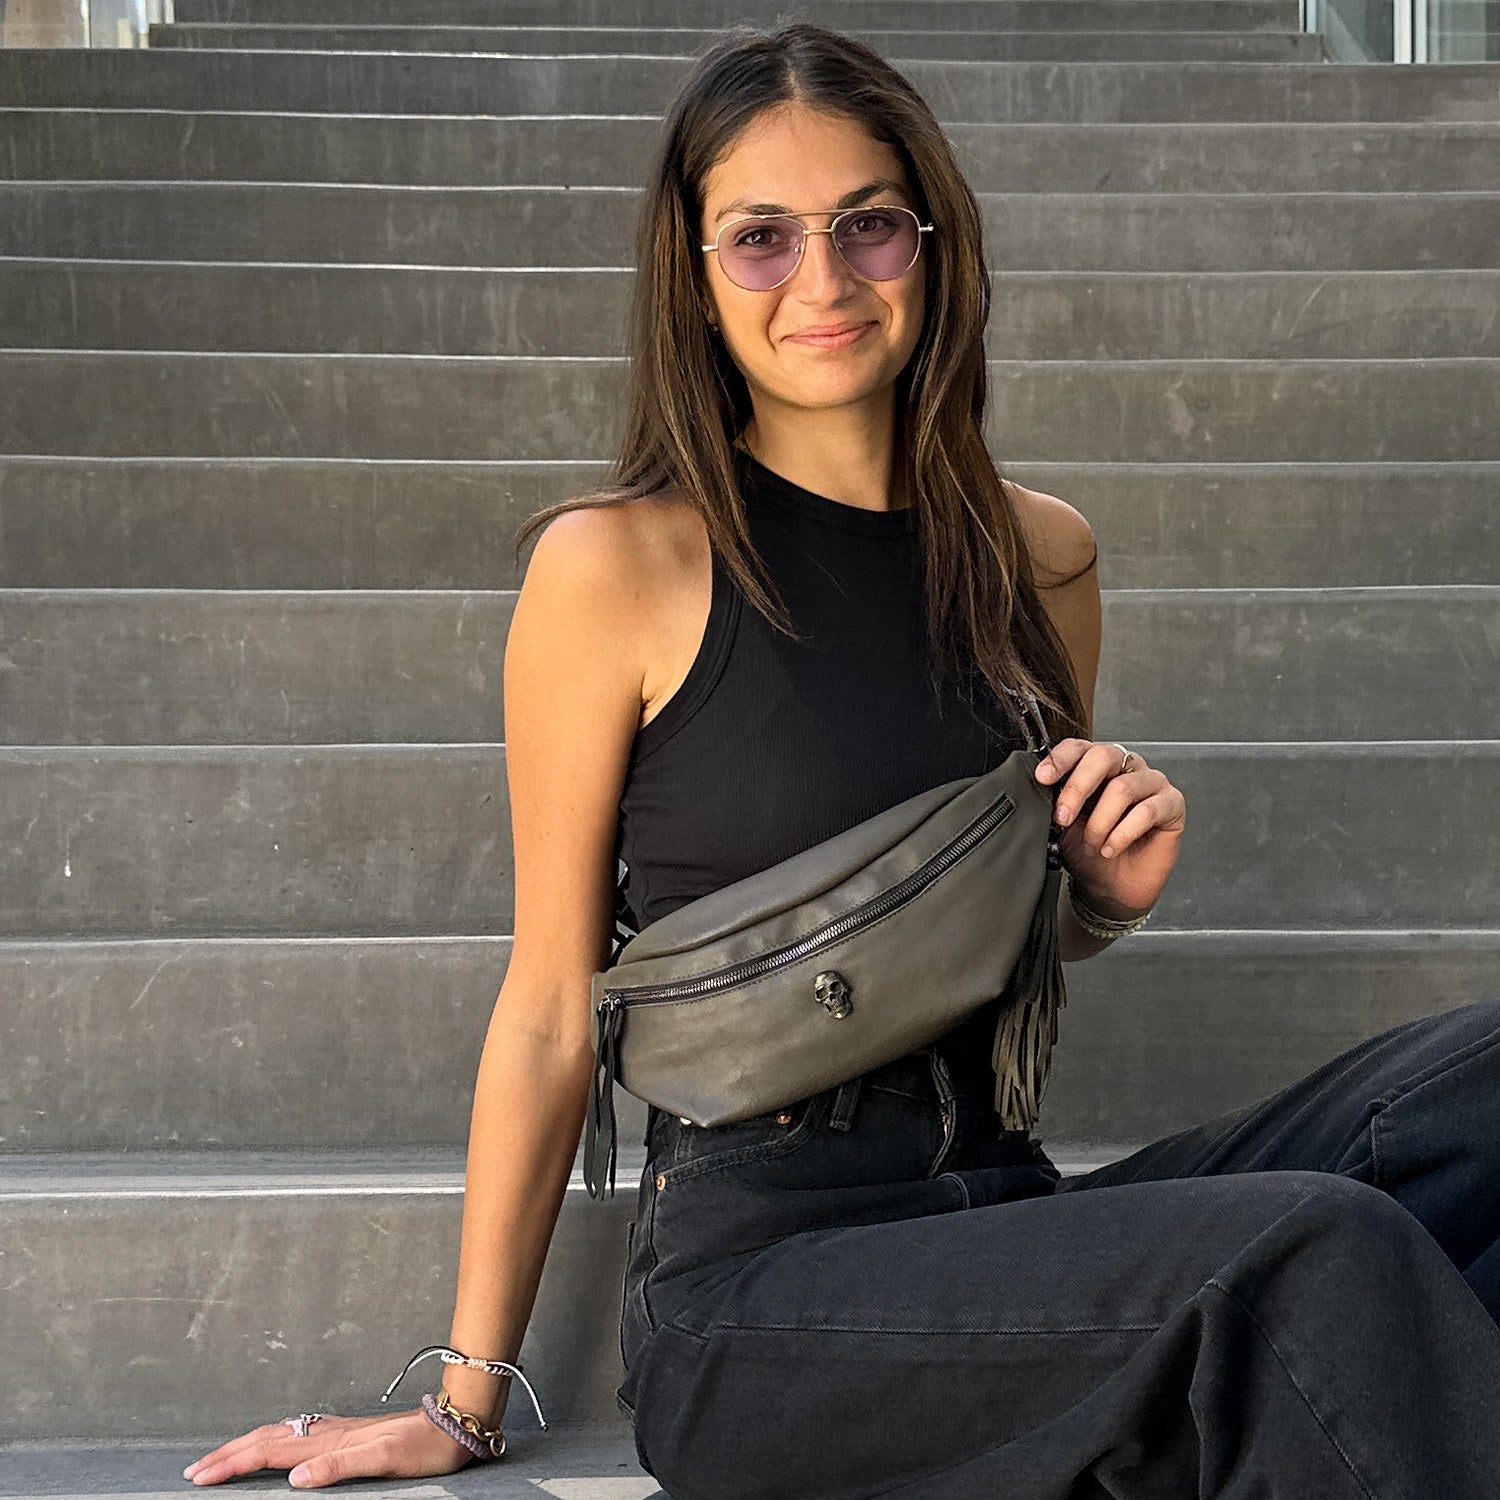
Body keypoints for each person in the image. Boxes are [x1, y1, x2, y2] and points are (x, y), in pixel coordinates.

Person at [180, 21, 1500, 1497]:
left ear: (932, 245)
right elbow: (551, 1006)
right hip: (765, 1290)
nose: (823, 279)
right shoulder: (617, 568)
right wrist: (464, 1394)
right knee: (1310, 1261)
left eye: (867, 224)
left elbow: (979, 928)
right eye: (761, 238)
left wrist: (1098, 901)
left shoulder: (1040, 557)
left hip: (995, 1216)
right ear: (695, 274)